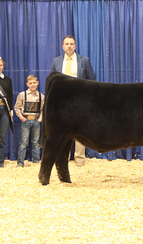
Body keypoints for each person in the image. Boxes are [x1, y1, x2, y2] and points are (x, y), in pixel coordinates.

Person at [50, 35, 96, 167]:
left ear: (75, 46)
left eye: (72, 44)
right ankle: (62, 157)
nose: (69, 46)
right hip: (61, 102)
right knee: (61, 130)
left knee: (80, 129)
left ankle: (80, 158)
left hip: (79, 101)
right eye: (67, 44)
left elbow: (91, 81)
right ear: (63, 46)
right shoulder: (56, 61)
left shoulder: (84, 60)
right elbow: (52, 82)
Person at [14, 75, 45, 167]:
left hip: (36, 120)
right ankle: (20, 162)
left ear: (37, 83)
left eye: (34, 83)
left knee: (36, 142)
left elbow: (43, 109)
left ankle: (36, 161)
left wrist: (40, 118)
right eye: (30, 83)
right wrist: (21, 117)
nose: (32, 85)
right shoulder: (22, 95)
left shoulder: (41, 96)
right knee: (24, 142)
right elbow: (17, 108)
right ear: (27, 84)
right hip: (26, 120)